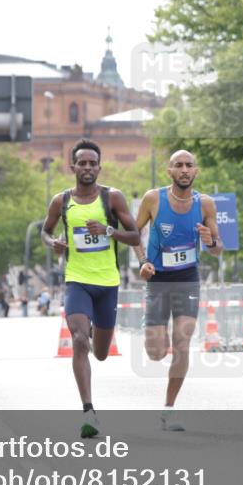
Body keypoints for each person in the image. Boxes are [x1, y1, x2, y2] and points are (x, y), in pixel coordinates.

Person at [41, 139, 140, 438]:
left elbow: (135, 236)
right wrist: (53, 243)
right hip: (77, 280)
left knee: (101, 353)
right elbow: (45, 231)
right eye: (82, 163)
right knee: (79, 341)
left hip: (107, 283)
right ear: (72, 167)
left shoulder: (113, 198)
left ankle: (96, 328)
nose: (87, 168)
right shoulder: (61, 201)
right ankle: (88, 411)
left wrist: (108, 230)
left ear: (99, 167)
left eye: (92, 163)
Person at [133, 150, 222, 431]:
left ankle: (169, 409)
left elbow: (217, 248)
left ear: (196, 171)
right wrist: (143, 262)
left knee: (182, 342)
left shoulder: (205, 204)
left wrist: (210, 241)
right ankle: (152, 328)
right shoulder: (153, 199)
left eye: (189, 165)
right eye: (179, 165)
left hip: (187, 278)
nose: (184, 169)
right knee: (156, 352)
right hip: (158, 278)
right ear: (169, 171)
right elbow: (134, 234)